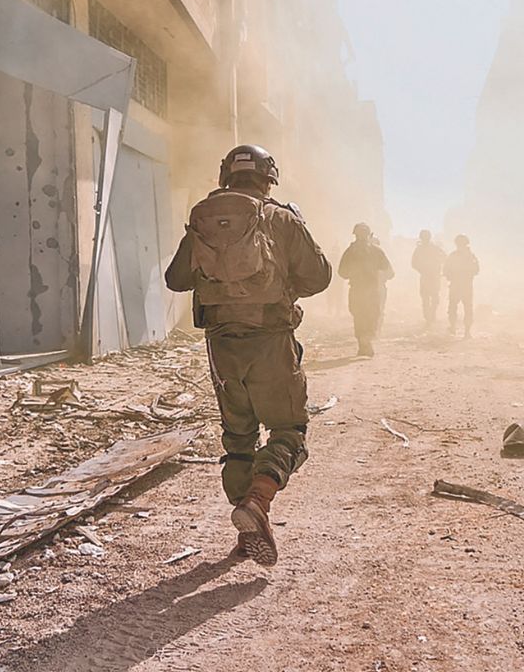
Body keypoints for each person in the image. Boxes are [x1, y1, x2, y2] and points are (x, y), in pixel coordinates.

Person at [165, 144, 331, 566]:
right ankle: (258, 500)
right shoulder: (280, 217)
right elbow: (319, 276)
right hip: (271, 339)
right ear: (268, 177)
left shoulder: (203, 218)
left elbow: (175, 278)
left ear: (226, 175)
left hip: (222, 345)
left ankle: (248, 528)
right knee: (289, 429)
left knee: (239, 439)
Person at [337, 222, 393, 357]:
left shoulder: (351, 251)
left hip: (360, 290)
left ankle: (364, 343)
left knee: (361, 316)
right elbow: (390, 272)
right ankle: (366, 342)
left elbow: (342, 272)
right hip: (370, 290)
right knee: (370, 316)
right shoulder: (376, 251)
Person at [444, 234, 479, 338]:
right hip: (466, 286)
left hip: (457, 285)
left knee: (453, 307)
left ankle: (454, 328)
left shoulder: (454, 255)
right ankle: (466, 332)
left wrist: (450, 276)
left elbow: (446, 269)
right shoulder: (471, 256)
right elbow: (476, 270)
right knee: (467, 308)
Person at [410, 230, 446, 329]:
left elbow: (444, 258)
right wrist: (422, 269)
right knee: (426, 298)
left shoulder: (434, 248)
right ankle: (428, 318)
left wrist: (437, 267)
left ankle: (431, 316)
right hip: (427, 276)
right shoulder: (421, 249)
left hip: (433, 276)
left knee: (433, 297)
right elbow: (414, 263)